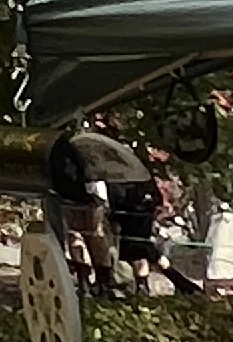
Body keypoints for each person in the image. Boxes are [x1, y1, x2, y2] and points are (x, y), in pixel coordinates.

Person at [46, 113, 161, 295]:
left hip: (80, 189)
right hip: (95, 190)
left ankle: (94, 281)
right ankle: (103, 281)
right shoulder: (97, 145)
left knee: (81, 235)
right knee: (92, 235)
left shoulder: (78, 144)